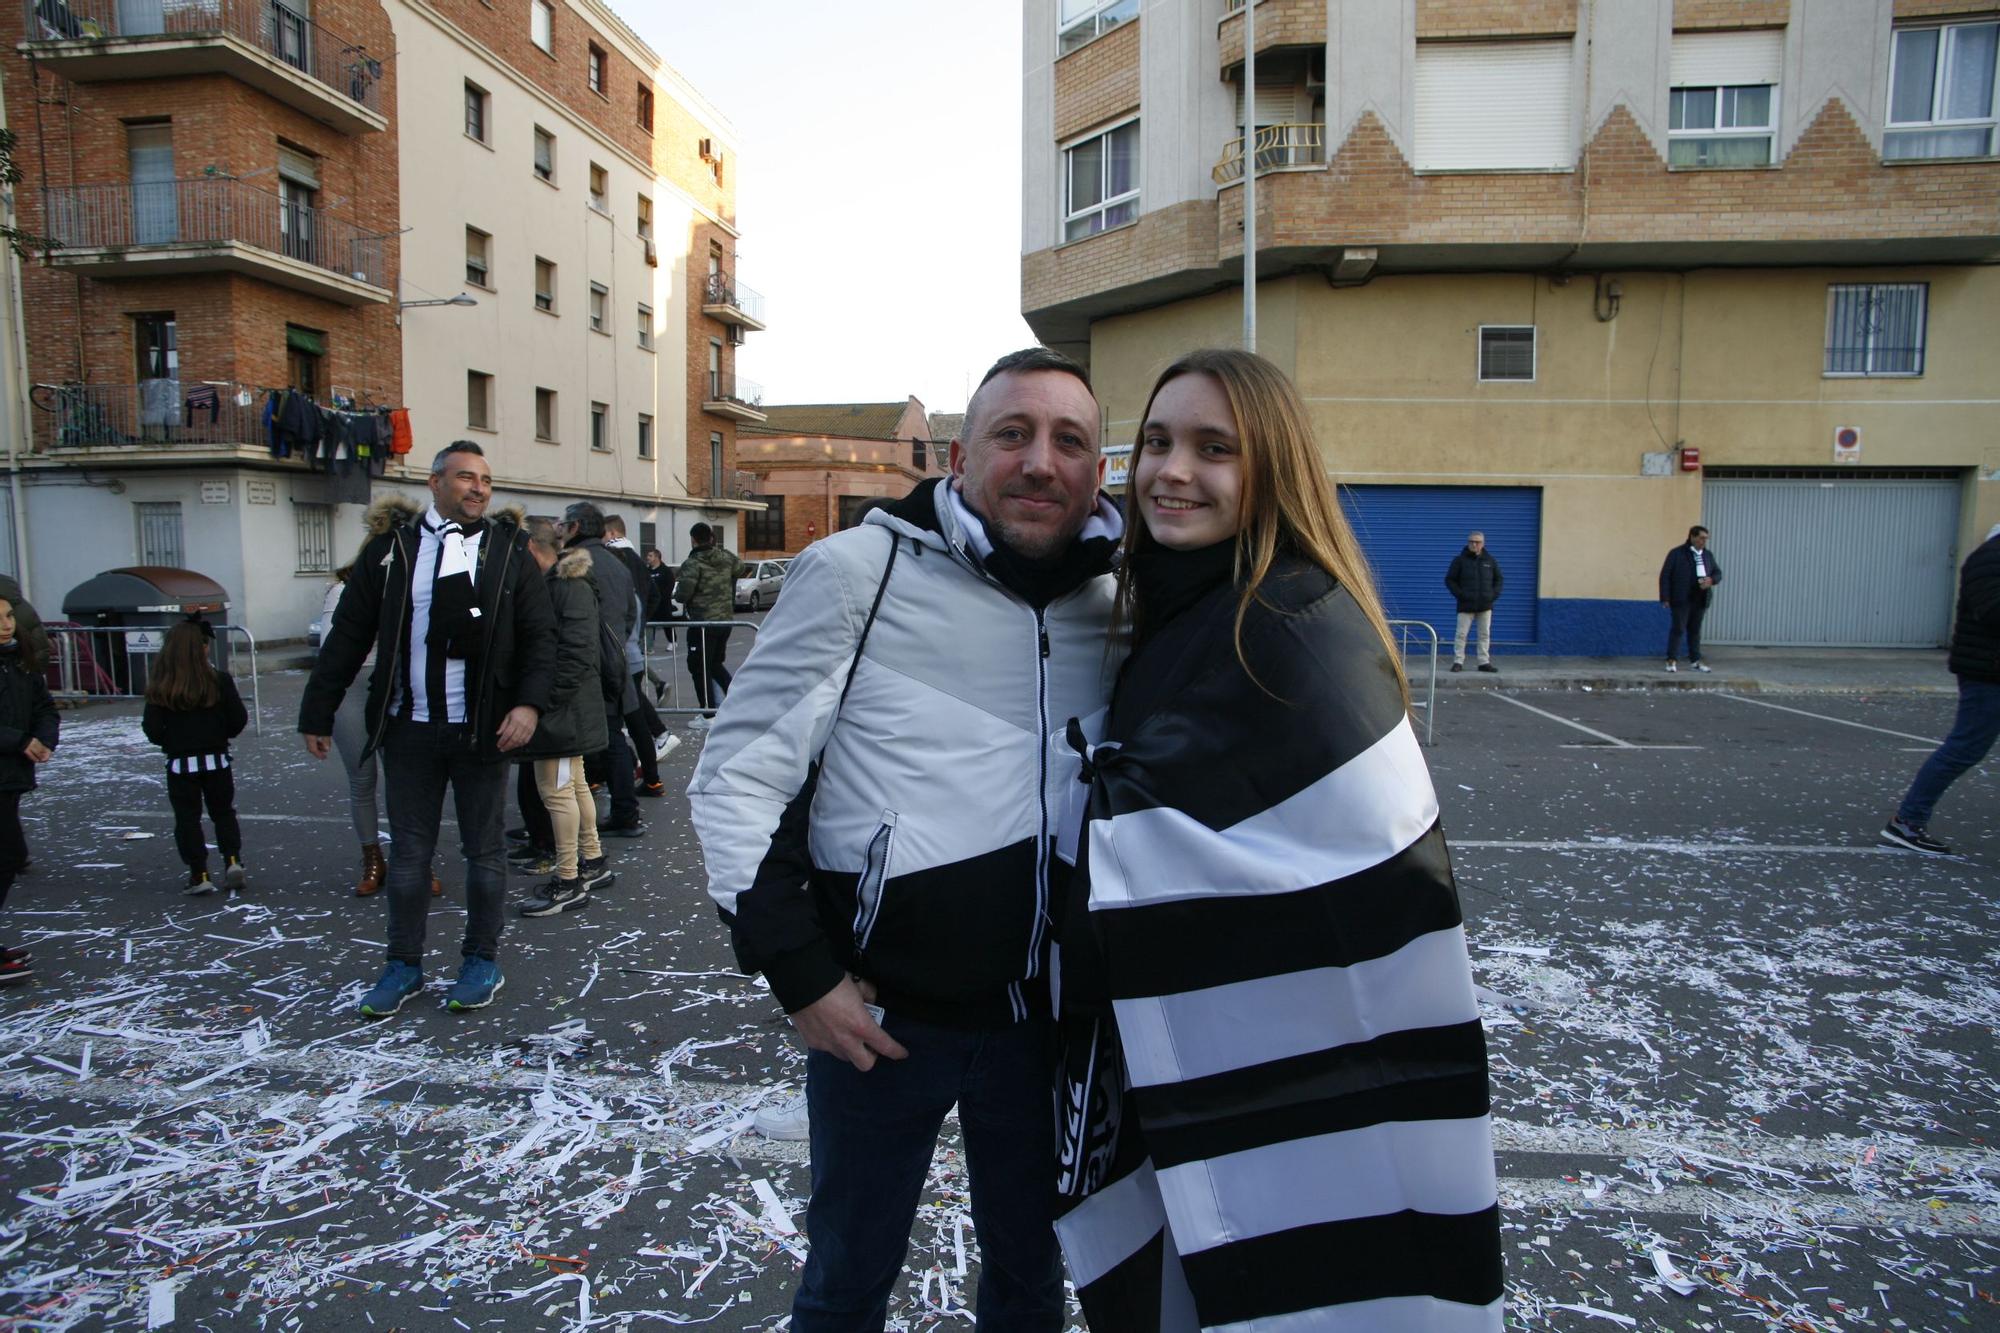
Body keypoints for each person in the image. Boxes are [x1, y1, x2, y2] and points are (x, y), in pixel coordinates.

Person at [1052, 349, 1502, 1329]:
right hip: (1183, 1064)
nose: (1171, 471)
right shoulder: (1186, 601)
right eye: (1158, 442)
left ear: (1271, 471)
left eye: (1214, 448)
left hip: (1284, 1080)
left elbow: (1332, 876)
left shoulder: (1290, 628)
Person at [687, 347, 1122, 1331]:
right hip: (879, 1020)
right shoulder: (858, 570)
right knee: (846, 1278)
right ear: (959, 455)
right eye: (1011, 434)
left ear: (1099, 472)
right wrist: (800, 973)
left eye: (1068, 441)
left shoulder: (1123, 599)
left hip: (1044, 1024)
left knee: (1030, 1283)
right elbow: (737, 780)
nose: (1038, 461)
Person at [299, 441, 555, 1017]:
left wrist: (529, 706)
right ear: (435, 483)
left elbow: (542, 638)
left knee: (484, 853)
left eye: (486, 480)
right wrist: (318, 710)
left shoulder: (509, 550)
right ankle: (403, 964)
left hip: (483, 730)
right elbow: (348, 634)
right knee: (410, 853)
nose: (479, 489)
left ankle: (479, 960)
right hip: (408, 727)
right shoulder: (392, 550)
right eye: (466, 477)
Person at [323, 521, 443, 900]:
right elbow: (333, 650)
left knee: (405, 780)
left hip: (394, 685)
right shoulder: (343, 589)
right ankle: (372, 858)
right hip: (355, 688)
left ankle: (414, 859)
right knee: (362, 780)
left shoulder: (413, 584)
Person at [514, 518, 615, 915]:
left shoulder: (566, 586)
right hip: (569, 709)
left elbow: (574, 654)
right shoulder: (564, 584)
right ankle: (591, 862)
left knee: (557, 792)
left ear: (531, 551)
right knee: (571, 786)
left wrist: (542, 702)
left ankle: (570, 879)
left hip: (563, 712)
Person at [1881, 522, 2000, 856]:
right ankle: (1907, 820)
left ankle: (1908, 819)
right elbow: (1991, 610)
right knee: (1965, 748)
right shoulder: (1990, 558)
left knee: (1965, 747)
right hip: (1988, 673)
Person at [141, 619, 249, 896]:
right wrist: (220, 734)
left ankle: (199, 873)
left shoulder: (162, 684)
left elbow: (152, 728)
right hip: (216, 759)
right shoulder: (219, 680)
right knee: (223, 812)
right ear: (203, 648)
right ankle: (232, 861)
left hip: (180, 763)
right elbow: (238, 719)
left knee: (187, 818)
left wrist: (171, 741)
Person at [561, 502, 647, 839]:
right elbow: (629, 614)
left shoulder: (576, 564)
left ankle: (618, 813)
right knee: (612, 740)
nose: (560, 531)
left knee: (598, 743)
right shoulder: (617, 563)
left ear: (577, 527)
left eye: (564, 525)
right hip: (614, 662)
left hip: (589, 666)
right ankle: (624, 809)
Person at [0, 593, 55, 986]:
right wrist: (19, 740)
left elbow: (44, 706)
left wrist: (44, 737)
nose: (5, 623)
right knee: (6, 857)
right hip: (7, 764)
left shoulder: (19, 661)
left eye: (7, 616)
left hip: (10, 775)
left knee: (7, 859)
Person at [603, 515, 678, 791]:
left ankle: (639, 779)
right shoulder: (634, 576)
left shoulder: (624, 575)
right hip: (630, 653)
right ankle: (650, 776)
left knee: (626, 722)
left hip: (622, 657)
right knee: (634, 718)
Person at [672, 522, 746, 729]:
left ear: (693, 539)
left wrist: (679, 595)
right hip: (724, 620)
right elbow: (740, 567)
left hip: (702, 623)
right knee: (714, 664)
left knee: (698, 667)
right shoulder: (726, 557)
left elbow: (684, 592)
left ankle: (708, 713)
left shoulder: (693, 563)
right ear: (712, 537)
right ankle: (737, 702)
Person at [1660, 524, 1722, 672]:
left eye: (1706, 539)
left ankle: (1695, 660)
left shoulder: (1708, 555)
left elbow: (1718, 573)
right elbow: (1665, 576)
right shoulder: (1677, 553)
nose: (1704, 541)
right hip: (1681, 598)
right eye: (1701, 538)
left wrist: (1711, 580)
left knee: (1695, 630)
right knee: (1679, 629)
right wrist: (1665, 597)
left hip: (1700, 598)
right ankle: (1671, 660)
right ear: (1692, 537)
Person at [1445, 529, 1503, 673]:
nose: (1474, 544)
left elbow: (1499, 579)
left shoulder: (1490, 561)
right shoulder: (1459, 561)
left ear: (1483, 544)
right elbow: (1450, 580)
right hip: (1465, 605)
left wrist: (1492, 595)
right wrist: (1460, 594)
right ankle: (1458, 661)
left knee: (1484, 635)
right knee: (1461, 634)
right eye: (1471, 541)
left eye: (1477, 542)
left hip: (1485, 605)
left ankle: (1484, 662)